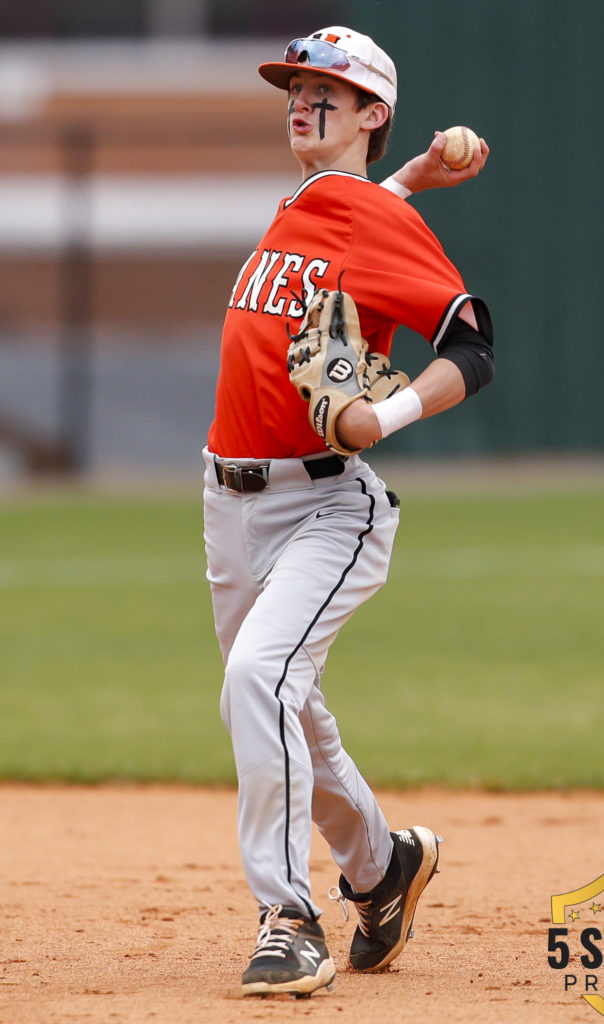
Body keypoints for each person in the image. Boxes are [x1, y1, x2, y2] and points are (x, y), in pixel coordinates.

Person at [202, 26, 494, 998]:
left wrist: (388, 409)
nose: (300, 98)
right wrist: (401, 177)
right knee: (284, 703)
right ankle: (382, 869)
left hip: (324, 502)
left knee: (256, 679)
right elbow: (352, 230)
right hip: (228, 498)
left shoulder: (362, 214)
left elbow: (471, 344)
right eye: (293, 85)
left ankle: (289, 919)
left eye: (326, 88)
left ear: (370, 111)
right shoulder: (316, 204)